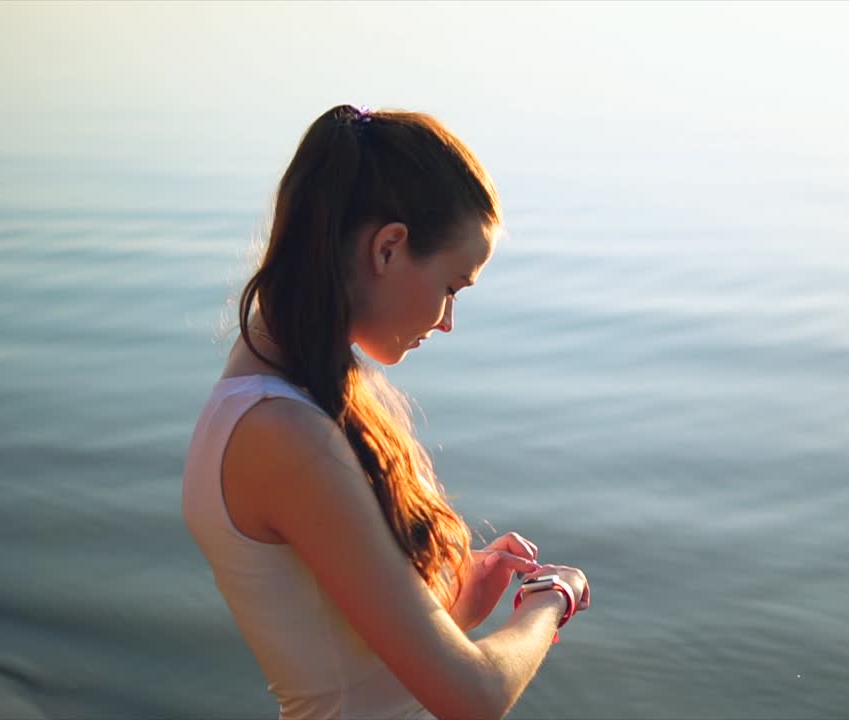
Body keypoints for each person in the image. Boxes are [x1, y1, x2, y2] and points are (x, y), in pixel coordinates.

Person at [182, 104, 591, 720]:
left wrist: (454, 601)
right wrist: (553, 599)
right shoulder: (282, 433)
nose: (448, 320)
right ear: (389, 248)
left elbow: (345, 653)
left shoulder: (288, 389)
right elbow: (472, 697)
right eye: (451, 287)